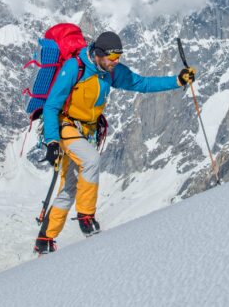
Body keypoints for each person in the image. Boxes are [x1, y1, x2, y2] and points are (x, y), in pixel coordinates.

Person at [35, 31, 195, 253]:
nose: (116, 61)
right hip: (65, 126)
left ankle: (45, 240)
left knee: (70, 188)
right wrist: (52, 142)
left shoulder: (110, 72)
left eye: (118, 57)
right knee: (91, 160)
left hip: (86, 131)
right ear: (99, 54)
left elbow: (142, 83)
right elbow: (52, 106)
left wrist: (177, 81)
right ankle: (86, 217)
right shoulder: (75, 67)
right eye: (112, 57)